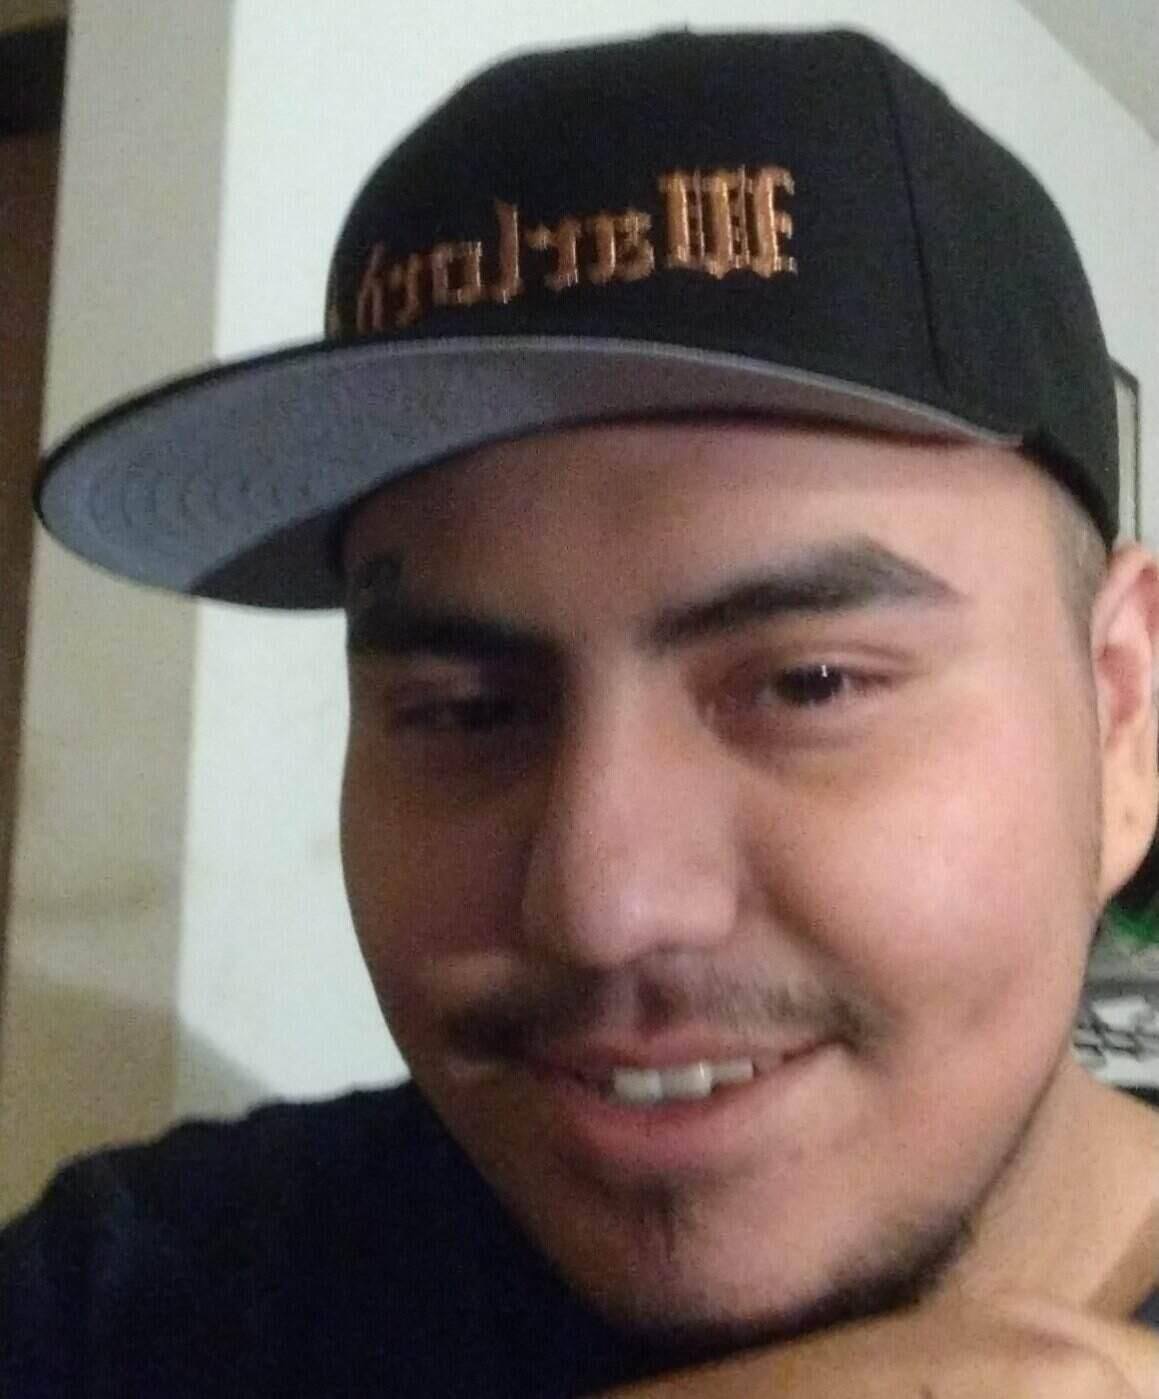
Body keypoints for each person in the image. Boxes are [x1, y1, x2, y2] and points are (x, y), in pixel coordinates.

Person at [4, 26, 1159, 1398]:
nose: (602, 905)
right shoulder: (143, 1298)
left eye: (808, 684)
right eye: (461, 710)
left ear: (1120, 713)